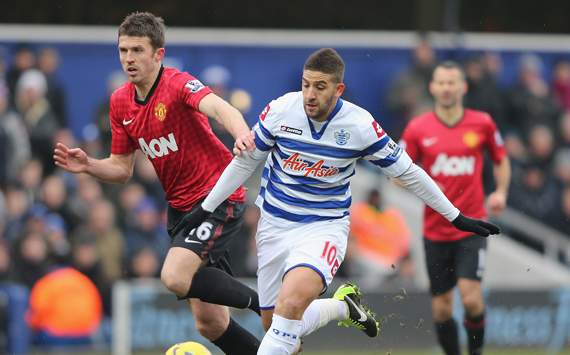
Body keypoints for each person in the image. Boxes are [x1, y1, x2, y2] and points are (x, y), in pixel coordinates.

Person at [174, 48, 500, 355]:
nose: (310, 94)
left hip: (323, 228)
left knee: (290, 305)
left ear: (339, 89)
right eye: (306, 85)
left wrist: (455, 216)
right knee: (274, 322)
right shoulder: (281, 110)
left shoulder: (360, 126)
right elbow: (245, 162)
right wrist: (206, 207)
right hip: (274, 225)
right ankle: (344, 307)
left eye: (320, 86)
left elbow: (409, 172)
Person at [52, 12, 260, 355]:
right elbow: (121, 169)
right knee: (211, 324)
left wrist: (240, 135)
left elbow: (221, 108)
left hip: (218, 196)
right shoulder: (120, 101)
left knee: (174, 277)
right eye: (123, 50)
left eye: (137, 50)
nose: (128, 59)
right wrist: (89, 165)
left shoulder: (177, 84)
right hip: (181, 210)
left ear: (158, 54)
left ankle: (268, 302)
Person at [400, 61, 511, 355]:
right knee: (441, 309)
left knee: (471, 297)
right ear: (432, 87)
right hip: (435, 231)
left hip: (472, 226)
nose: (447, 88)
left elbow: (500, 158)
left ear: (463, 87)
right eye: (441, 83)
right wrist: (400, 179)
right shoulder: (417, 127)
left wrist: (500, 192)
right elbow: (399, 167)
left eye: (452, 82)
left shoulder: (482, 123)